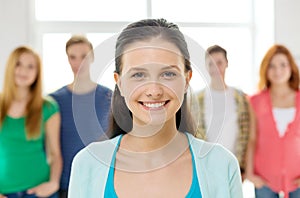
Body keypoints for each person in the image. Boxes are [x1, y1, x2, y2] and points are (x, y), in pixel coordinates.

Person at [68, 19, 243, 198]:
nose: (154, 91)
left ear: (187, 80)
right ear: (119, 82)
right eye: (138, 75)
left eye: (168, 74)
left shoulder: (222, 165)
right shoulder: (87, 164)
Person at [49, 35, 112, 198]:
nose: (79, 63)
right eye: (73, 57)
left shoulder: (110, 97)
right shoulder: (54, 101)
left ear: (92, 57)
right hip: (66, 184)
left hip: (101, 181)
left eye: (84, 56)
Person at [0, 46, 62, 198]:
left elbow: (55, 153)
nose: (24, 71)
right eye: (18, 64)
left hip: (40, 191)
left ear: (37, 73)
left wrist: (53, 183)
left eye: (30, 66)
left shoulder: (48, 107)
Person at [246, 44, 300, 198]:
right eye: (272, 66)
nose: (277, 71)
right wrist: (250, 174)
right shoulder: (255, 101)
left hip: (297, 178)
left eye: (283, 65)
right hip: (264, 178)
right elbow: (252, 139)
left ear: (291, 68)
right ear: (265, 69)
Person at [195, 45, 251, 180]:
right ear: (206, 67)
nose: (215, 68)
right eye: (211, 64)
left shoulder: (240, 97)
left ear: (227, 63)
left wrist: (244, 168)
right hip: (207, 167)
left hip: (234, 166)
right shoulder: (196, 100)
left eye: (219, 62)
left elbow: (246, 133)